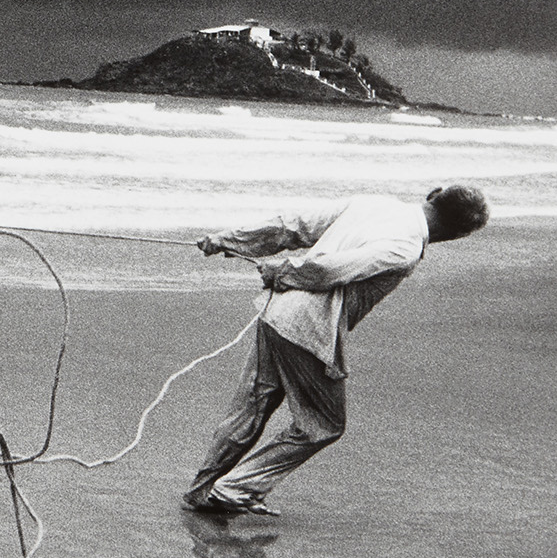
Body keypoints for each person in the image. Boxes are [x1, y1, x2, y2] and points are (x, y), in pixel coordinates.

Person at [182, 185, 491, 517]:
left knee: (252, 406)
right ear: (456, 234)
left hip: (277, 312)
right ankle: (236, 487)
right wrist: (283, 271)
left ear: (433, 195)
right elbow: (330, 270)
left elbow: (294, 225)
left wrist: (230, 239)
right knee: (324, 423)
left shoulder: (373, 203)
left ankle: (203, 490)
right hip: (308, 326)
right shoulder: (406, 248)